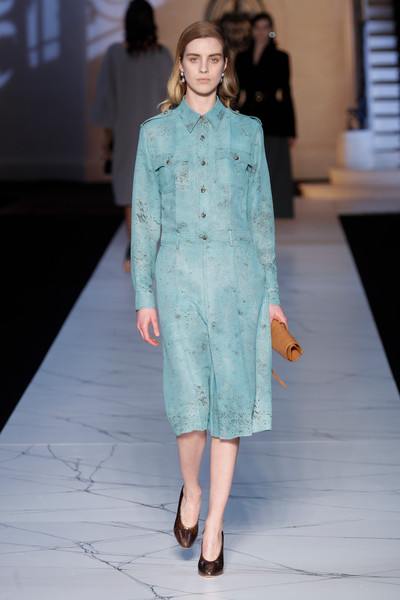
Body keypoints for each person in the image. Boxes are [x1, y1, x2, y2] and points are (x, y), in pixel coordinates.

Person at [131, 20, 287, 577]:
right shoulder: (155, 135)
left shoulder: (247, 133)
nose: (203, 67)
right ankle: (191, 490)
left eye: (213, 59)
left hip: (239, 281)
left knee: (230, 406)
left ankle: (215, 524)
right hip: (177, 281)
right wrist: (143, 296)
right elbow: (144, 220)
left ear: (225, 67)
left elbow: (262, 217)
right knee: (189, 405)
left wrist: (273, 295)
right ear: (181, 65)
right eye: (193, 58)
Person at [91, 0, 172, 271]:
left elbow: (106, 99)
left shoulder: (116, 54)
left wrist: (107, 140)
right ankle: (153, 252)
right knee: (156, 191)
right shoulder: (161, 55)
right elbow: (173, 98)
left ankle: (134, 250)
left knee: (130, 192)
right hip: (158, 134)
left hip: (127, 135)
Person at [235, 12, 296, 218]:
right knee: (249, 164)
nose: (261, 32)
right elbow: (236, 92)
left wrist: (291, 129)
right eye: (257, 27)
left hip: (274, 115)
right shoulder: (242, 57)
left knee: (275, 165)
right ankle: (251, 210)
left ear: (271, 30)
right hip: (249, 113)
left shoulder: (281, 57)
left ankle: (277, 210)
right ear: (252, 31)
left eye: (265, 27)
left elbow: (286, 93)